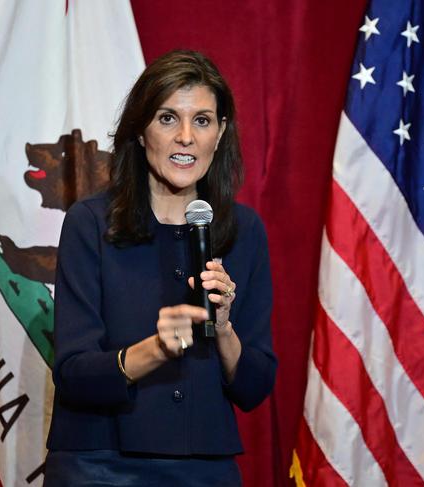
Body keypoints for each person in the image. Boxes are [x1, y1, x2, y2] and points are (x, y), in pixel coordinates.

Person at [44, 50, 276, 486]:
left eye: (202, 121)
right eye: (168, 119)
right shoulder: (91, 223)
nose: (186, 137)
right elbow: (74, 374)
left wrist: (224, 328)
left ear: (221, 132)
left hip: (206, 467)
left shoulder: (244, 231)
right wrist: (157, 348)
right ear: (140, 131)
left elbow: (255, 386)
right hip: (98, 466)